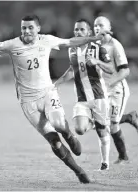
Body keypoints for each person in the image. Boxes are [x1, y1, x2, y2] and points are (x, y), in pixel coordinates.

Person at [0, 15, 110, 183]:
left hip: (47, 94)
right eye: (23, 28)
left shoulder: (47, 40)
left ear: (38, 28)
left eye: (30, 27)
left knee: (60, 126)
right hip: (28, 102)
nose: (26, 31)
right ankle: (79, 172)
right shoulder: (12, 44)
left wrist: (95, 38)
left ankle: (69, 134)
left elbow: (71, 42)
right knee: (54, 142)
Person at [54, 19, 114, 171]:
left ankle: (105, 162)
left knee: (102, 132)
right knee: (79, 130)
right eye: (76, 30)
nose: (78, 32)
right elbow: (72, 71)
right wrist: (57, 84)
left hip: (98, 97)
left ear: (88, 33)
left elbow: (111, 69)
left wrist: (97, 62)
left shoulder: (98, 48)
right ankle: (93, 123)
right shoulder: (72, 49)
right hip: (81, 99)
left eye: (82, 30)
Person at [94, 16, 138, 164]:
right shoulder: (94, 45)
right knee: (104, 122)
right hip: (102, 89)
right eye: (95, 25)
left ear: (108, 28)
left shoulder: (115, 45)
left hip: (117, 90)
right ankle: (128, 118)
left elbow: (125, 71)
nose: (97, 28)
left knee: (112, 125)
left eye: (100, 25)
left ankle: (123, 156)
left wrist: (110, 84)